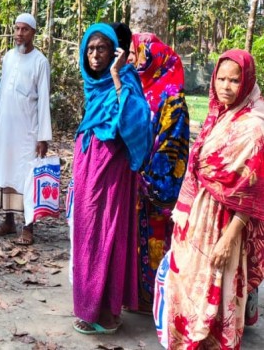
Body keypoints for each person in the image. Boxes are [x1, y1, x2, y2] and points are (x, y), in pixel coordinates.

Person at [164, 49, 264, 349]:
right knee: (190, 284)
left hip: (226, 223)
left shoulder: (254, 127)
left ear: (247, 82)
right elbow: (197, 168)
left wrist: (229, 237)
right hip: (199, 214)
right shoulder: (217, 116)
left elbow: (253, 191)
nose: (226, 86)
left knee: (220, 288)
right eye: (221, 78)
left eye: (235, 80)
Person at [71, 23, 153, 335]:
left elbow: (136, 124)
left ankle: (106, 313)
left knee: (106, 233)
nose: (94, 55)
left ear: (113, 52)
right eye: (90, 49)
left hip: (111, 169)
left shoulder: (125, 78)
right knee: (87, 234)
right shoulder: (92, 83)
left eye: (101, 49)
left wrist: (118, 76)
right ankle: (88, 306)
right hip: (88, 167)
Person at [115, 26, 190, 315]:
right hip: (134, 176)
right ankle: (136, 294)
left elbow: (172, 143)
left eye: (136, 54)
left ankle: (152, 298)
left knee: (156, 238)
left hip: (155, 182)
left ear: (153, 56)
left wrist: (147, 175)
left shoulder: (172, 97)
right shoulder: (139, 88)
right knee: (135, 237)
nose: (132, 60)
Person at [0, 13, 52, 244]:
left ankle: (28, 226)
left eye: (24, 29)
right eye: (17, 29)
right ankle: (8, 220)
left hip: (28, 131)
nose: (19, 33)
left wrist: (43, 137)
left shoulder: (40, 62)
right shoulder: (8, 57)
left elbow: (43, 100)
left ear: (33, 32)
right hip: (6, 128)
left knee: (25, 177)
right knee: (6, 172)